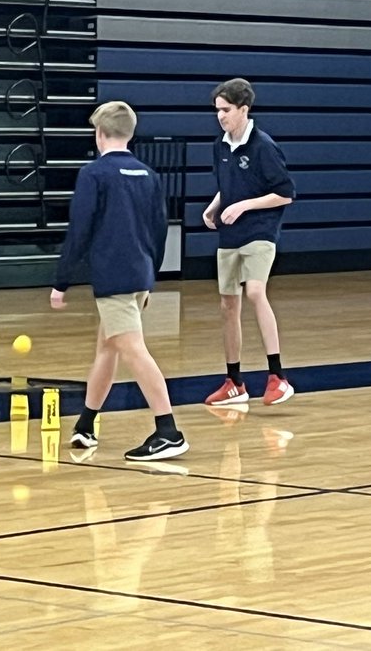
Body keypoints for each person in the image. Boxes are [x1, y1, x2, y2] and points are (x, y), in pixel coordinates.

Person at [50, 101, 188, 462]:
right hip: (140, 273)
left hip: (113, 277)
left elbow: (79, 230)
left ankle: (168, 430)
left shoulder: (94, 174)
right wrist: (150, 273)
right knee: (108, 348)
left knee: (132, 349)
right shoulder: (148, 175)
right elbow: (160, 231)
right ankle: (86, 424)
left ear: (99, 134)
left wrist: (62, 281)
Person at [202, 78, 296, 408]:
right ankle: (234, 383)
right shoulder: (219, 146)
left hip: (260, 231)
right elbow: (229, 185)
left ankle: (277, 377)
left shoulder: (263, 146)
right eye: (217, 111)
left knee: (255, 291)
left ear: (244, 109)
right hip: (230, 236)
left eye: (226, 110)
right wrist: (216, 204)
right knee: (228, 305)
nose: (221, 116)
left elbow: (284, 193)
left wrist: (244, 205)